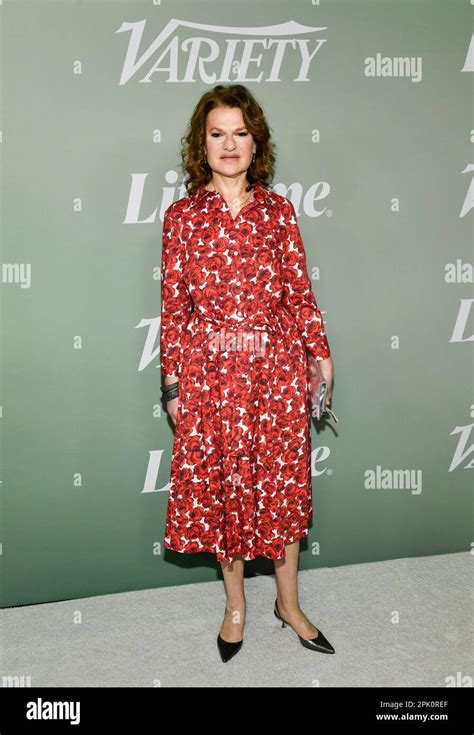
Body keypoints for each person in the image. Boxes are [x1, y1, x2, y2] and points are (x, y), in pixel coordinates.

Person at [160, 84, 335, 662]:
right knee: (225, 493)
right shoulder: (182, 218)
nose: (228, 144)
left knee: (280, 489)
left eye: (239, 132)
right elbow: (175, 310)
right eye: (217, 133)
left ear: (255, 141)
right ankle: (235, 606)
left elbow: (299, 292)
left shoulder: (278, 211)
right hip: (210, 377)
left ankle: (288, 605)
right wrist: (172, 383)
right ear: (201, 144)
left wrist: (320, 354)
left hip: (276, 372)